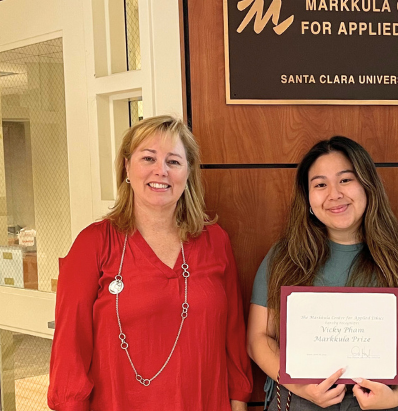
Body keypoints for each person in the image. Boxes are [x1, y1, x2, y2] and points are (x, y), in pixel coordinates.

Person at [48, 116, 253, 411]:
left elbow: (233, 338)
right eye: (148, 158)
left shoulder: (215, 241)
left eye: (173, 161)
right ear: (127, 167)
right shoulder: (93, 244)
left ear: (188, 173)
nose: (161, 171)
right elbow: (70, 349)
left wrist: (238, 404)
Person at [247, 136, 398, 411]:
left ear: (367, 184)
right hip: (297, 400)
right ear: (308, 198)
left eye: (346, 180)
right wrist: (301, 387)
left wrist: (396, 397)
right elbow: (258, 339)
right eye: (321, 185)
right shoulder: (283, 257)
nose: (334, 194)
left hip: (379, 403)